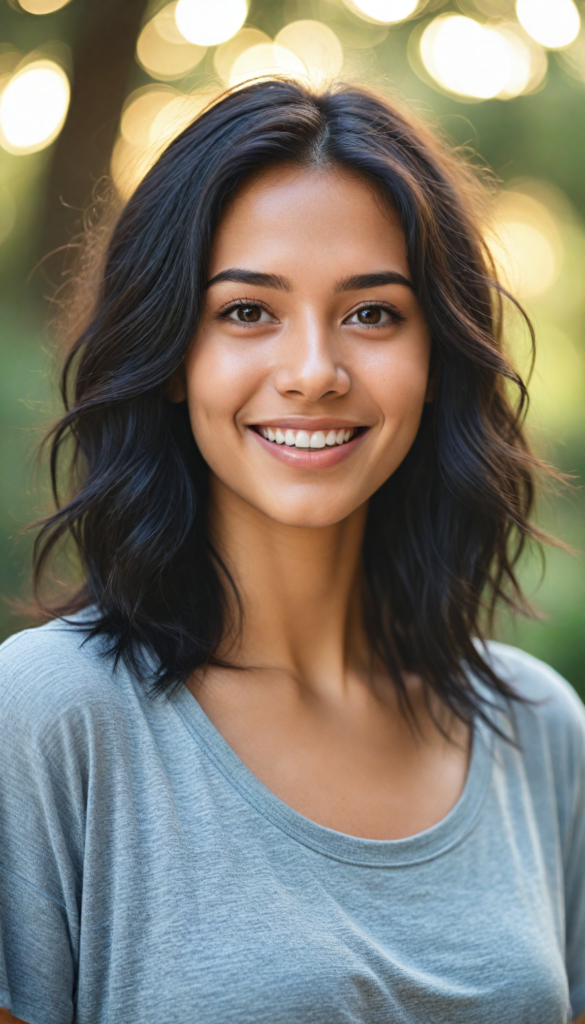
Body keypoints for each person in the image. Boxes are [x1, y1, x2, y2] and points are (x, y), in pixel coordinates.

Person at [0, 79, 583, 1024]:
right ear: (171, 354)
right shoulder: (46, 718)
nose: (313, 372)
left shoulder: (541, 732)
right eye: (246, 312)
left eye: (372, 313)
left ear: (436, 360)